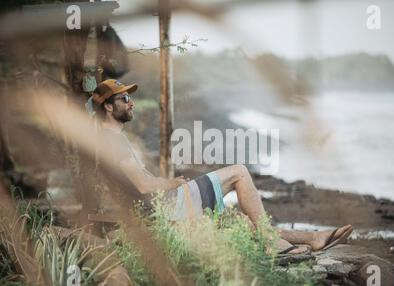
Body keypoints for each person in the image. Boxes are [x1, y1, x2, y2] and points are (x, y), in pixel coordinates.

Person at [88, 79, 353, 255]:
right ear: (109, 106)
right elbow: (144, 185)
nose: (130, 102)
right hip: (161, 209)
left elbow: (139, 182)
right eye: (124, 99)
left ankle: (312, 238)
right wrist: (173, 184)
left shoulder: (111, 138)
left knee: (240, 221)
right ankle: (275, 242)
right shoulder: (112, 142)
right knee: (239, 171)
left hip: (158, 205)